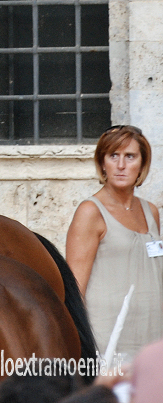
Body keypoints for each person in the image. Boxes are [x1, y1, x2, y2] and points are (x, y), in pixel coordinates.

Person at [66, 125, 163, 360]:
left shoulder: (151, 211)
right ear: (102, 163)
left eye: (130, 156)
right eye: (113, 156)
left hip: (153, 332)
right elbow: (75, 288)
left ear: (142, 163)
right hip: (108, 336)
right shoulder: (90, 211)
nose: (121, 165)